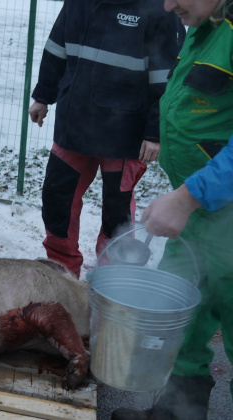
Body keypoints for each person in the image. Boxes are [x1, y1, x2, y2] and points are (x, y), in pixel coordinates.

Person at [111, 0, 233, 419]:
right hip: (200, 217)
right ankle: (179, 412)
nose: (168, 5)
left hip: (218, 214)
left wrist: (186, 197)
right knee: (184, 317)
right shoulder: (205, 26)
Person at [27, 0, 184, 277]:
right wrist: (43, 96)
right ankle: (62, 271)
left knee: (117, 212)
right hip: (72, 124)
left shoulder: (158, 8)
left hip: (126, 135)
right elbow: (56, 49)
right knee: (57, 200)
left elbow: (167, 77)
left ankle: (112, 276)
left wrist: (154, 132)